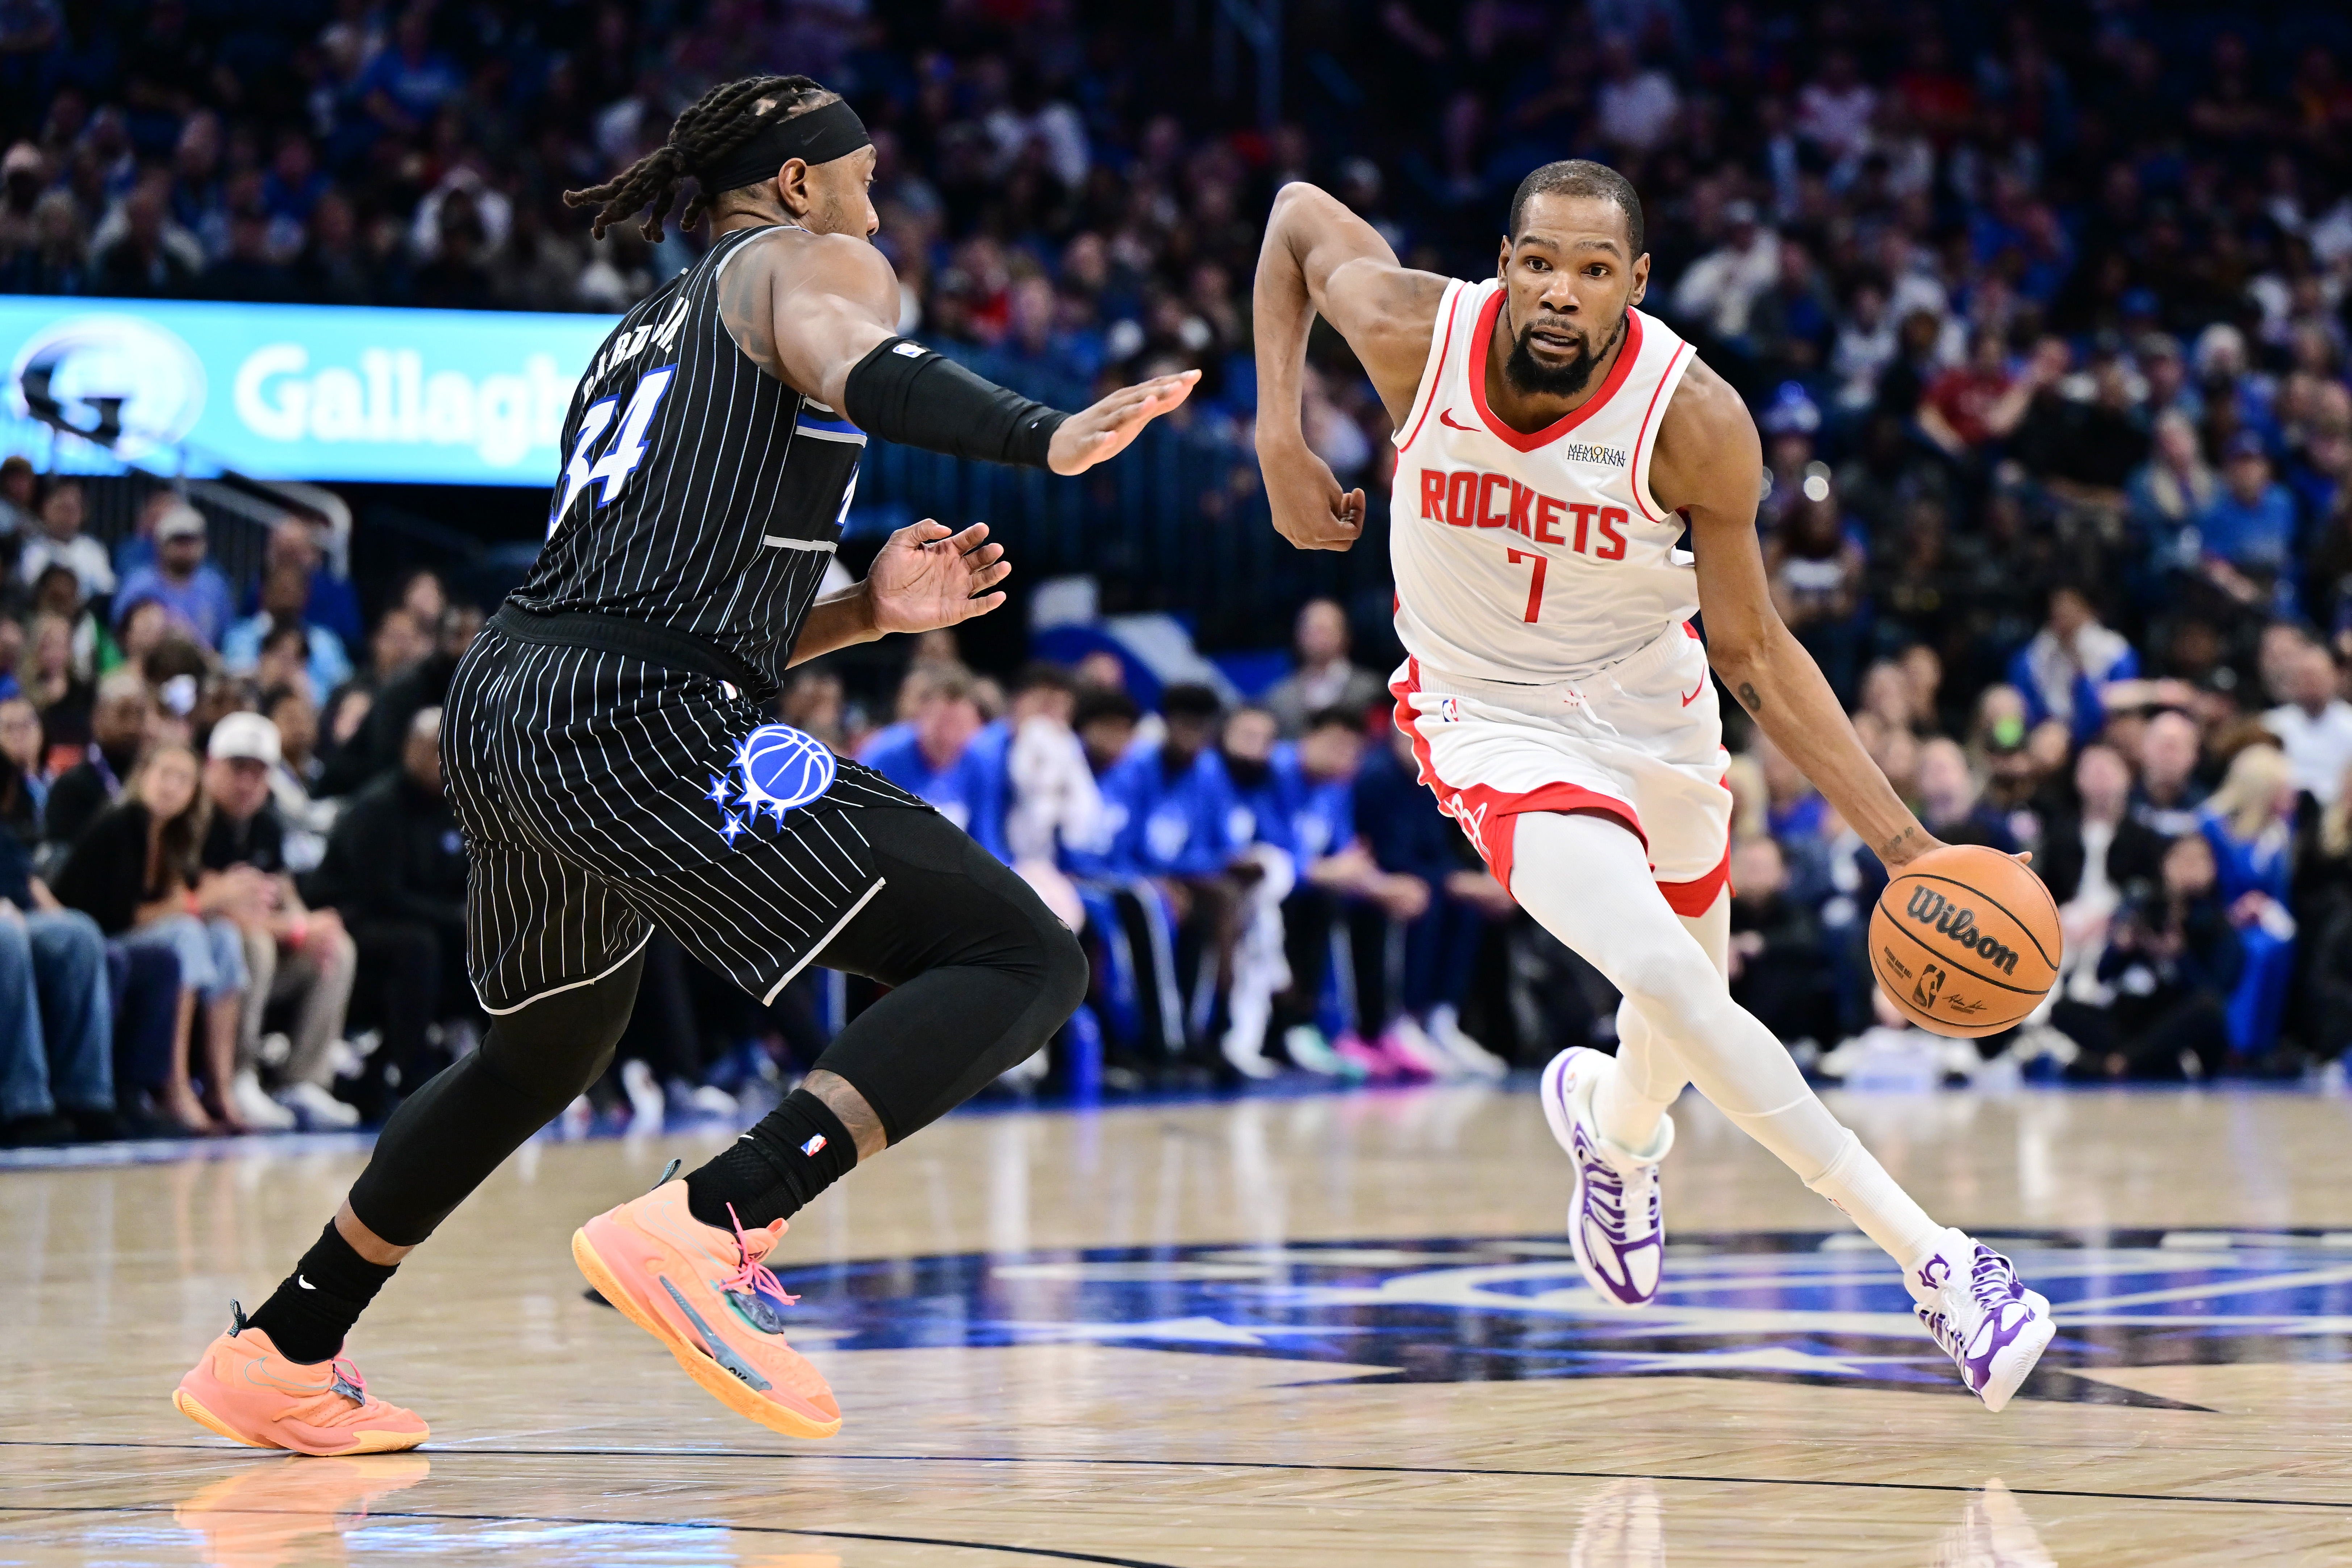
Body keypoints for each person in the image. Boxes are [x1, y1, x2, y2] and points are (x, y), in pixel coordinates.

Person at [176, 74, 1195, 1455]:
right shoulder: (801, 262)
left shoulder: (633, 339)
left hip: (515, 696)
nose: (876, 210)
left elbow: (666, 597)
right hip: (631, 711)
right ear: (795, 184)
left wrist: (867, 614)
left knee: (537, 1053)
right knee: (1021, 956)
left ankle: (285, 1344)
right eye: (863, 179)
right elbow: (857, 358)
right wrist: (1040, 432)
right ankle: (719, 1216)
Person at [1254, 158, 2054, 1408]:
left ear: (1635, 282)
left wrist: (1906, 847)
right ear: (1503, 264)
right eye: (1536, 262)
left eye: (1591, 269)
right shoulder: (1415, 333)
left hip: (1654, 713)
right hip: (1488, 718)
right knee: (1673, 978)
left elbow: (1752, 650)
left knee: (1678, 1019)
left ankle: (1615, 1135)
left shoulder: (1694, 420)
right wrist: (1277, 433)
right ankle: (1939, 1264)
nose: (1558, 292)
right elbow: (1298, 217)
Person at [52, 741, 256, 1134]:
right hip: (94, 939)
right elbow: (121, 915)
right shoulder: (120, 824)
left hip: (134, 937)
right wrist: (199, 903)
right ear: (143, 777)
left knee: (223, 937)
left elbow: (184, 897)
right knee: (185, 934)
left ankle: (221, 1086)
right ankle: (174, 1086)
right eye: (165, 774)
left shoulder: (175, 836)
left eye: (183, 780)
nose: (171, 787)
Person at [201, 714, 359, 1130]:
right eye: (238, 769)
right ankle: (239, 1074)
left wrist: (309, 924)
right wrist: (291, 928)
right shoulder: (195, 820)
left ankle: (304, 1080)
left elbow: (286, 897)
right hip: (209, 963)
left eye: (258, 773)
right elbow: (204, 905)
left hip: (260, 955)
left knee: (336, 947)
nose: (247, 783)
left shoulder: (266, 825)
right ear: (211, 766)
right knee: (252, 943)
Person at [43, 670, 153, 849]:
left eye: (140, 714)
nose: (133, 726)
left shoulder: (152, 780)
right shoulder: (72, 788)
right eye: (123, 713)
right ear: (98, 717)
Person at [113, 503, 237, 652]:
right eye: (178, 541)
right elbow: (120, 632)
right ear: (161, 545)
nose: (185, 549)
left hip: (202, 661)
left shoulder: (215, 586)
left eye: (191, 541)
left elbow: (225, 636)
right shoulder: (139, 583)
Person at [1262, 599, 1385, 736]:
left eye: (1327, 630)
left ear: (1346, 636)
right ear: (1298, 636)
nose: (1320, 638)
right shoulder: (1279, 698)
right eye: (1314, 631)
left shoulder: (1372, 690)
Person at [2263, 638, 2352, 809]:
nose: (2311, 684)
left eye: (2317, 676)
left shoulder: (2349, 724)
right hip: (2286, 809)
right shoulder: (2273, 726)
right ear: (2292, 682)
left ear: (2334, 678)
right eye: (2304, 677)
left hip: (2338, 808)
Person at [16, 480, 114, 601]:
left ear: (83, 514)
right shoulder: (31, 549)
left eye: (72, 510)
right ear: (45, 508)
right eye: (61, 508)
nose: (66, 516)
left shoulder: (94, 550)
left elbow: (107, 590)